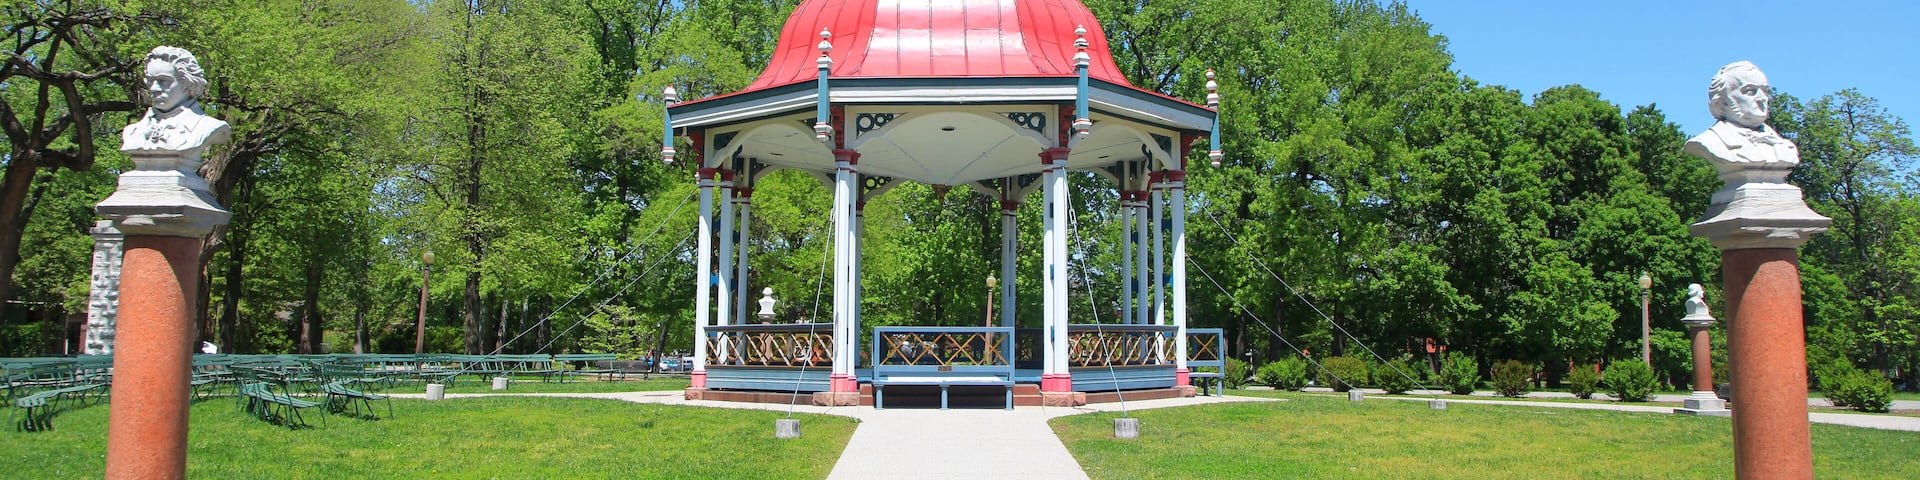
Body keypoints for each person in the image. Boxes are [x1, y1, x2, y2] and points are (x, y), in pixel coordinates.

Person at [1682, 61, 1797, 168]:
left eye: (1765, 91)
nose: (1762, 98)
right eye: (1750, 91)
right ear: (1722, 101)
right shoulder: (1708, 142)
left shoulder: (1783, 144)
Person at [121, 46, 230, 155]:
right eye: (150, 81)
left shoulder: (207, 127)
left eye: (163, 81)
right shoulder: (133, 132)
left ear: (187, 84)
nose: (154, 88)